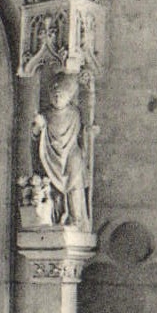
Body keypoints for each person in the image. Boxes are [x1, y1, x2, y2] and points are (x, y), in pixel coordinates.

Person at [32, 70, 89, 228]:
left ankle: (75, 217)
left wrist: (89, 132)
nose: (57, 98)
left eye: (61, 95)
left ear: (68, 97)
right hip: (52, 156)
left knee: (75, 180)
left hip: (71, 154)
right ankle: (56, 217)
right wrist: (38, 127)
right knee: (53, 187)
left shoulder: (74, 114)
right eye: (55, 95)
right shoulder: (46, 114)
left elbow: (80, 134)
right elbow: (36, 135)